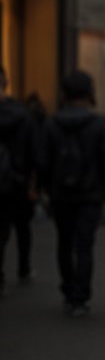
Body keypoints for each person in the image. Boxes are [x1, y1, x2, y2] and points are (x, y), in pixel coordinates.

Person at [38, 69, 105, 317]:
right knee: (85, 246)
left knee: (64, 241)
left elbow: (43, 161)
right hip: (90, 193)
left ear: (64, 94)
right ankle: (81, 297)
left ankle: (68, 290)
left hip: (61, 192)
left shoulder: (51, 124)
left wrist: (44, 188)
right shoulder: (100, 125)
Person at [0, 66, 35, 294]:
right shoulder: (22, 114)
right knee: (22, 226)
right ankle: (23, 267)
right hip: (19, 179)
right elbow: (33, 150)